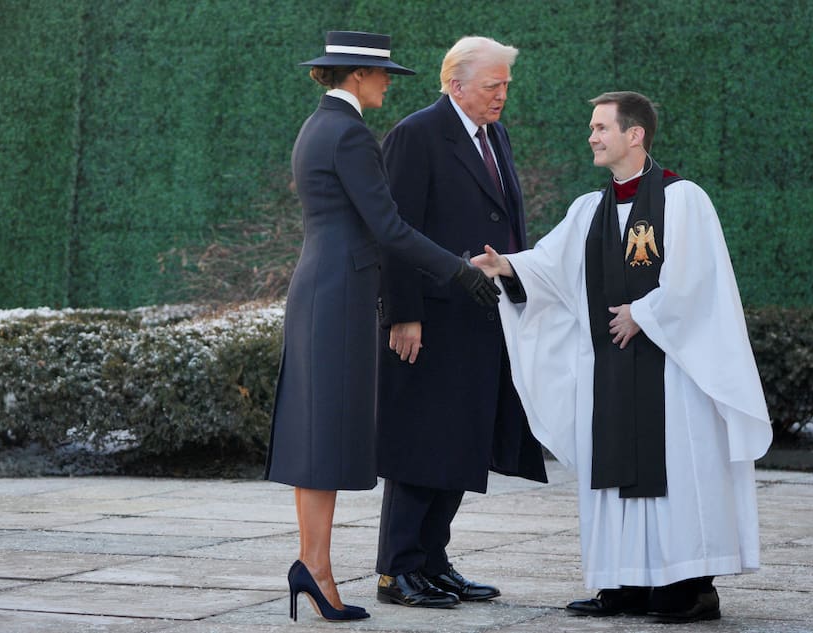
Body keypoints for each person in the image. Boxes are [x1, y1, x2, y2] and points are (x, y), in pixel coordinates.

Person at [472, 91, 773, 622]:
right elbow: (551, 267)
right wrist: (509, 268)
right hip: (609, 372)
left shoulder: (683, 200)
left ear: (634, 135)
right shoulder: (589, 209)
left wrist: (644, 313)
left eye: (601, 128)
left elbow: (697, 281)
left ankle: (689, 587)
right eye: (592, 128)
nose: (591, 136)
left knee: (676, 472)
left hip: (671, 375)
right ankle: (625, 581)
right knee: (613, 473)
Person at [264, 31, 499, 623]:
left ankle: (313, 564)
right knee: (324, 439)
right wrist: (457, 271)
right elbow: (390, 227)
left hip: (323, 291)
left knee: (318, 438)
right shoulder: (349, 134)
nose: (388, 84)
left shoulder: (318, 126)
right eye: (383, 75)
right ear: (357, 76)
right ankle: (315, 568)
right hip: (338, 297)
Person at [373, 35, 548, 609]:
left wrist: (517, 286)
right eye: (493, 85)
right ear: (456, 85)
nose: (502, 95)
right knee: (421, 443)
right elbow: (395, 232)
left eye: (506, 86)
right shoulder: (416, 135)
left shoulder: (495, 134)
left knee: (461, 442)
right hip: (430, 319)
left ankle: (433, 561)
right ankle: (398, 570)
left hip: (481, 315)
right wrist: (404, 314)